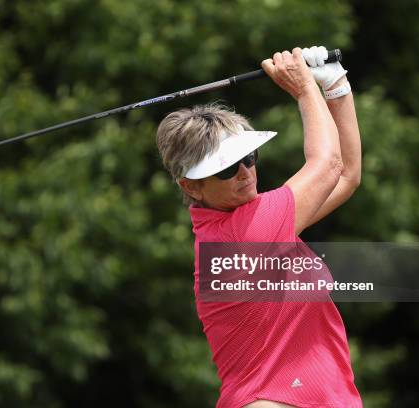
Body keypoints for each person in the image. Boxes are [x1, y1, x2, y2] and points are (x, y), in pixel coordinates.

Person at [155, 46, 362, 408]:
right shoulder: (245, 230)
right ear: (191, 186)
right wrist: (304, 88)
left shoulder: (253, 223)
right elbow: (328, 165)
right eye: (225, 169)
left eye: (248, 157)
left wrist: (335, 86)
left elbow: (346, 176)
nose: (244, 173)